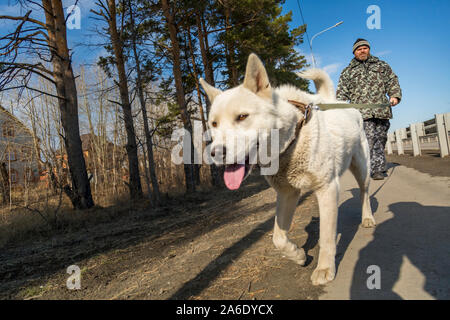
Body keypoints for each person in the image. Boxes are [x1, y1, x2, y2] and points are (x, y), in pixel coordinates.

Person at [336, 38, 402, 180]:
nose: (362, 51)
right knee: (368, 140)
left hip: (382, 110)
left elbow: (392, 81)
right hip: (361, 114)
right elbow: (342, 92)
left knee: (381, 138)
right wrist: (339, 108)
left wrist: (395, 96)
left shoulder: (381, 65)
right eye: (359, 49)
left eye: (365, 48)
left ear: (369, 49)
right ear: (354, 52)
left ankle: (377, 165)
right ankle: (374, 169)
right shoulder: (348, 71)